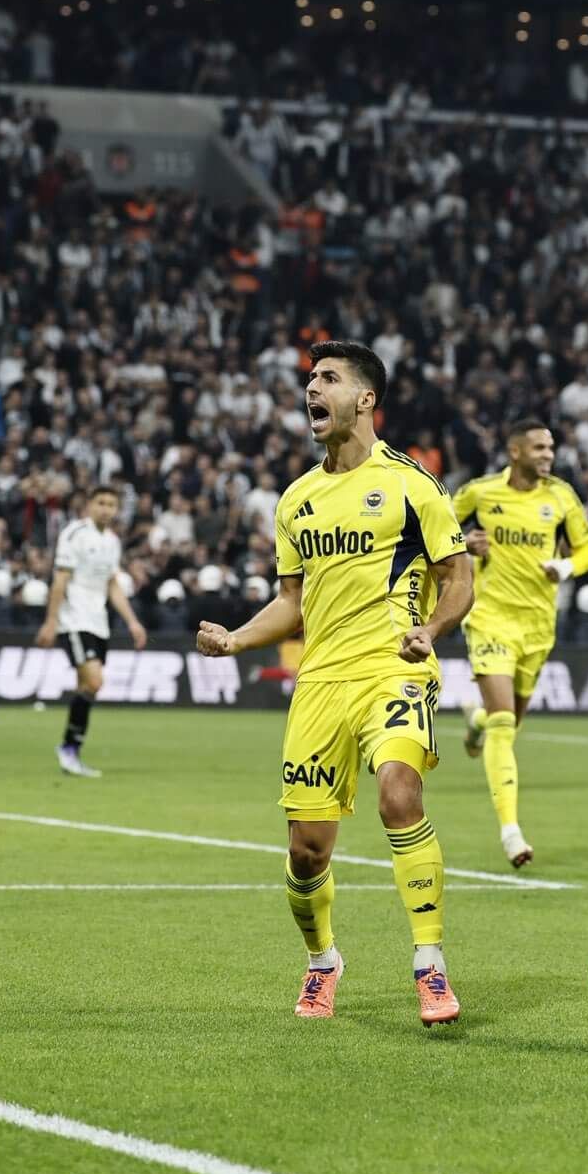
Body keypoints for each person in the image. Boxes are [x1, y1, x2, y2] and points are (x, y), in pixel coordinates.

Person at [196, 340, 473, 1025]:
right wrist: (236, 636)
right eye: (310, 379)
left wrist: (431, 631)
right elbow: (291, 601)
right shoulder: (297, 500)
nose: (312, 389)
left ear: (365, 398)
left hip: (393, 668)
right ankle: (322, 961)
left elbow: (458, 579)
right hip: (319, 681)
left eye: (328, 378)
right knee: (306, 849)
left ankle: (429, 964)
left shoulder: (412, 484)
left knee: (398, 793)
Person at [450, 418, 588, 865]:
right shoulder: (480, 492)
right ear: (515, 452)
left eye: (550, 447)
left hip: (538, 625)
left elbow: (587, 552)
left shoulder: (562, 496)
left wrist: (565, 568)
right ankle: (511, 832)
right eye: (539, 448)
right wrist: (463, 543)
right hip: (490, 617)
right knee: (503, 723)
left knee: (507, 722)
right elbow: (433, 533)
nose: (548, 455)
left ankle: (474, 722)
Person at [36, 485, 149, 778]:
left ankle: (72, 750)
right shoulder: (74, 534)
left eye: (111, 504)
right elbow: (60, 580)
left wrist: (133, 621)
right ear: (89, 505)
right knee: (94, 681)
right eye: (101, 502)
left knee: (87, 687)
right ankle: (68, 749)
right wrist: (51, 622)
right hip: (74, 619)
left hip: (98, 621)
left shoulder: (112, 541)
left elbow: (112, 585)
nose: (106, 509)